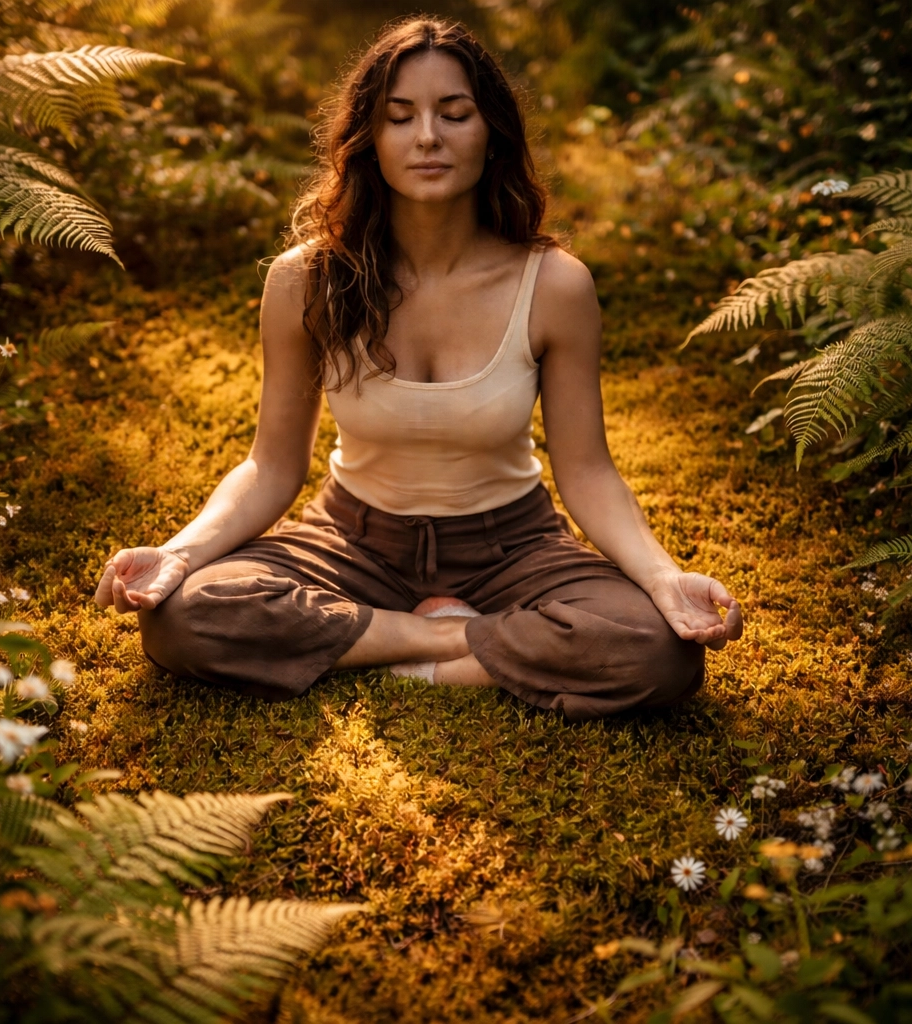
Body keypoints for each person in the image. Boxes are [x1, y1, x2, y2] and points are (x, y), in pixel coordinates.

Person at [94, 17, 743, 721]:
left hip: (513, 545)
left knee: (657, 649)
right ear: (369, 140)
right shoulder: (305, 280)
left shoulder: (554, 285)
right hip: (351, 541)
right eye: (399, 117)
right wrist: (180, 554)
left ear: (491, 131)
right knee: (183, 616)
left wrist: (662, 577)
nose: (427, 137)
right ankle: (446, 642)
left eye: (454, 114)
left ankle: (376, 649)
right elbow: (272, 467)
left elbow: (586, 471)